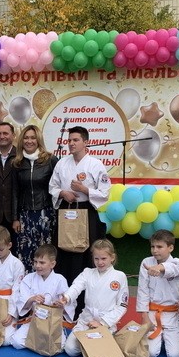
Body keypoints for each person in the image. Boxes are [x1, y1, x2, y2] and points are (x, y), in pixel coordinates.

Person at [48, 125, 110, 316]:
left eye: (76, 140)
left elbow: (105, 193)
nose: (72, 144)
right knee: (64, 254)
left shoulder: (95, 165)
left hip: (86, 212)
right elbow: (52, 186)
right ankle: (63, 302)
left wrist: (84, 190)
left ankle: (83, 306)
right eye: (69, 140)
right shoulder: (61, 163)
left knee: (84, 257)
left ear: (86, 142)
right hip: (66, 211)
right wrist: (62, 193)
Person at [61, 239, 128, 357]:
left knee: (99, 351)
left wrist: (102, 323)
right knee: (70, 349)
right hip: (86, 320)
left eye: (104, 258)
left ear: (112, 258)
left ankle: (100, 343)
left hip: (105, 321)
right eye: (96, 258)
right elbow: (76, 286)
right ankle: (93, 347)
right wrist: (66, 297)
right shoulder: (88, 273)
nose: (100, 262)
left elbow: (122, 306)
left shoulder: (119, 276)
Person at [11, 125, 59, 271]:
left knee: (45, 253)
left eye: (33, 138)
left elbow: (57, 187)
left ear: (38, 140)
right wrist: (15, 218)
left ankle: (47, 283)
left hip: (46, 213)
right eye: (26, 138)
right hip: (25, 216)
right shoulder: (17, 162)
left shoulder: (50, 160)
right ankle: (27, 282)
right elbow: (15, 191)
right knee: (26, 252)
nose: (29, 141)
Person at [136, 229, 179, 357]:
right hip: (152, 313)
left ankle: (172, 337)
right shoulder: (146, 262)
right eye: (152, 246)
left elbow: (178, 269)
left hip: (171, 315)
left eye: (159, 247)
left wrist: (160, 267)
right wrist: (144, 316)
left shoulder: (177, 263)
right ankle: (159, 338)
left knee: (176, 356)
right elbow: (142, 290)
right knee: (150, 353)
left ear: (170, 248)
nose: (155, 250)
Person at [10, 244, 71, 351]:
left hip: (52, 322)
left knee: (60, 346)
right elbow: (22, 301)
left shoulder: (60, 280)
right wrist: (32, 299)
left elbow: (67, 302)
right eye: (35, 262)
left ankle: (36, 343)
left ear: (52, 264)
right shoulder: (29, 278)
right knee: (16, 342)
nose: (37, 265)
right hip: (34, 319)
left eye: (42, 262)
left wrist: (61, 304)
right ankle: (40, 344)